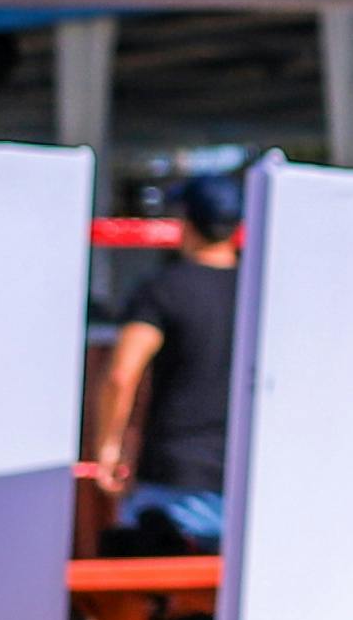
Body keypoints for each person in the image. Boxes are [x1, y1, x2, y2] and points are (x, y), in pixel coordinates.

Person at [90, 168, 245, 552]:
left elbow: (121, 375)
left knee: (136, 595)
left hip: (172, 483)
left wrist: (108, 449)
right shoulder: (260, 291)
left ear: (186, 222)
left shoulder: (162, 290)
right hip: (247, 477)